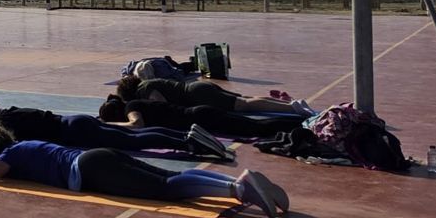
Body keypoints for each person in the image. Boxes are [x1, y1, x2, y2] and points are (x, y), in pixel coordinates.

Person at [0, 128, 289, 218]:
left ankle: (240, 190)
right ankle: (236, 181)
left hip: (90, 170)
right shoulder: (29, 142)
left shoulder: (11, 154)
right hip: (97, 158)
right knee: (165, 176)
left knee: (165, 188)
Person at [0, 96, 228, 161]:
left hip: (74, 133)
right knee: (133, 134)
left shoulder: (7, 124)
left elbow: (9, 145)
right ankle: (186, 135)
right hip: (74, 121)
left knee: (133, 141)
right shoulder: (13, 111)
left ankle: (188, 142)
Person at [98, 95, 306, 141]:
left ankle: (305, 124)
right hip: (199, 114)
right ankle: (303, 124)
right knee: (252, 126)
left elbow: (136, 124)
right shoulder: (137, 102)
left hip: (200, 117)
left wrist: (107, 125)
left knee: (255, 128)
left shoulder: (132, 107)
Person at [117, 74, 311, 115]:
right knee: (245, 100)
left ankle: (292, 107)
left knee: (244, 105)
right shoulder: (148, 82)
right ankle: (290, 103)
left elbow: (159, 104)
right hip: (199, 88)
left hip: (197, 96)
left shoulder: (144, 89)